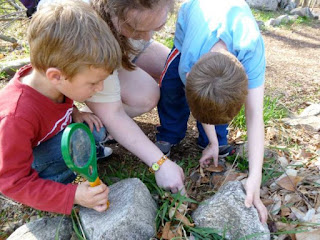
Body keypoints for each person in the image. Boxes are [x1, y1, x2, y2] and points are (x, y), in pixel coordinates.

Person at [0, 0, 122, 214]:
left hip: (50, 138)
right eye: (93, 83)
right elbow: (12, 181)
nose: (100, 88)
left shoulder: (53, 82)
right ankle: (58, 183)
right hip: (26, 163)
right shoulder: (16, 117)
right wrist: (72, 195)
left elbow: (52, 108)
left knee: (95, 130)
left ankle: (75, 163)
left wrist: (75, 112)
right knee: (74, 145)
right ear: (56, 76)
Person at [155, 0, 268, 223]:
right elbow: (200, 102)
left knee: (218, 101)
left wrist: (255, 177)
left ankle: (211, 138)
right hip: (191, 19)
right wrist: (213, 141)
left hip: (227, 18)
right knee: (170, 88)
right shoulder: (187, 63)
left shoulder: (252, 49)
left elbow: (255, 116)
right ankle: (170, 133)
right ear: (190, 78)